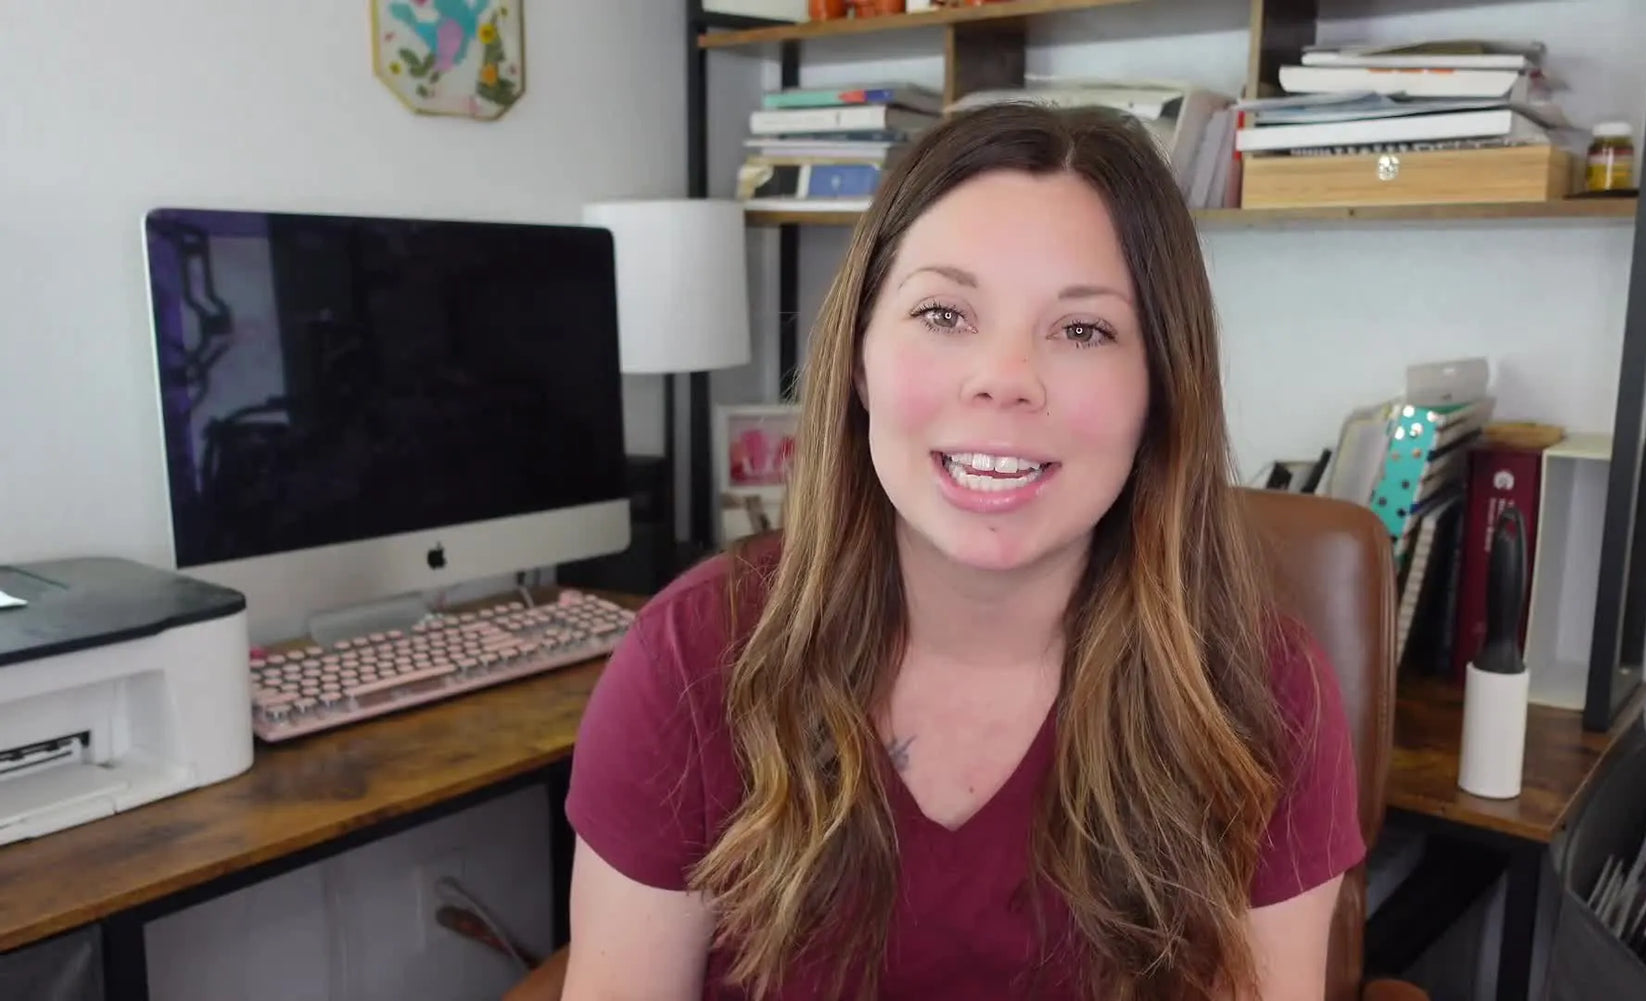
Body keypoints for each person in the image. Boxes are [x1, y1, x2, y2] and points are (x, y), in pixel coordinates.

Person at [550, 102, 1365, 1001]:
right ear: (858, 359)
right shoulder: (690, 662)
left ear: (1160, 391)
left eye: (1083, 329)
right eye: (944, 313)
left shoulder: (1265, 694)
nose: (1004, 379)